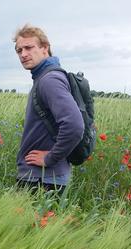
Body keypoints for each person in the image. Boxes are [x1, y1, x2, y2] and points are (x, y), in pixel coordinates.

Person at [13, 24, 84, 193]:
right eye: (19, 50)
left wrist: (50, 157)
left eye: (29, 47)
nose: (23, 54)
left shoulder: (49, 80)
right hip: (44, 177)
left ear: (45, 48)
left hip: (42, 180)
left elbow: (74, 125)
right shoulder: (44, 78)